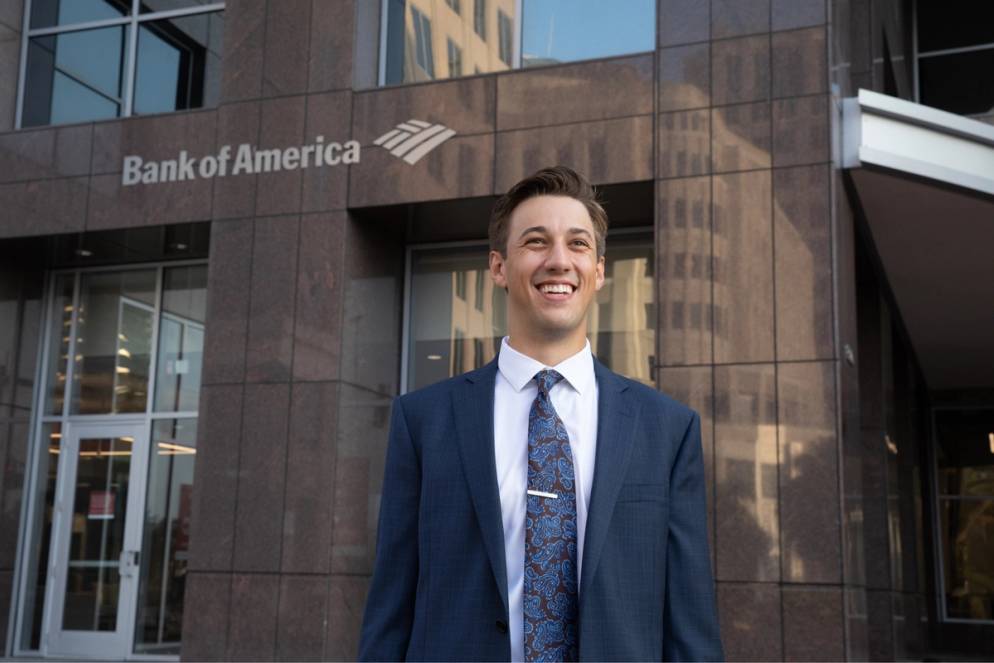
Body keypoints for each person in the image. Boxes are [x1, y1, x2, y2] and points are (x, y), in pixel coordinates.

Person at [359, 166, 723, 661]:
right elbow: (390, 610)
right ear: (499, 267)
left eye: (577, 244)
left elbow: (690, 624)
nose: (558, 261)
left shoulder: (667, 429)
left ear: (598, 270)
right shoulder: (423, 421)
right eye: (535, 241)